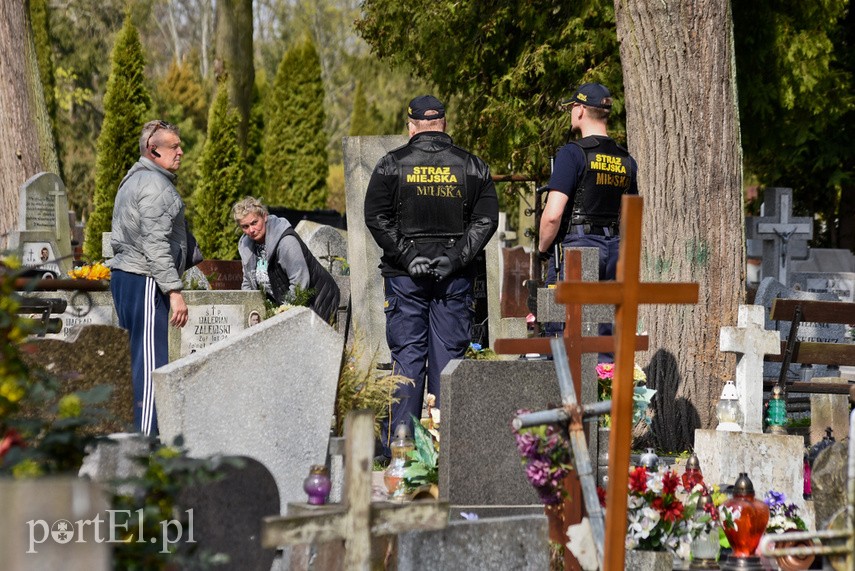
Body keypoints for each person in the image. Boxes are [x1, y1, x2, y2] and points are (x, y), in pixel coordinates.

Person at [364, 95, 499, 458]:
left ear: (411, 127)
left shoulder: (391, 164)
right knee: (449, 360)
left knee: (407, 358)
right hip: (453, 279)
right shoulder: (472, 166)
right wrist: (455, 258)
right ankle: (448, 449)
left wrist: (408, 256)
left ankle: (402, 449)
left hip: (405, 279)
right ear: (444, 124)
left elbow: (376, 216)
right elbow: (486, 220)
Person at [538, 83, 639, 351]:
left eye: (572, 107)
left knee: (566, 332)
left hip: (579, 249)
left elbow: (553, 215)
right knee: (605, 335)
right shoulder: (627, 160)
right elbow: (629, 216)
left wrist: (543, 248)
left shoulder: (572, 154)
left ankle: (570, 380)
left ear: (581, 110)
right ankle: (604, 377)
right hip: (615, 251)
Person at [109, 119, 190, 436]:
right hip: (145, 279)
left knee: (137, 361)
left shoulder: (134, 179)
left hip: (127, 277)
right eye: (174, 146)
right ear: (153, 150)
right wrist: (174, 291)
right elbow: (155, 243)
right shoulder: (156, 185)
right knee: (150, 366)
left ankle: (137, 438)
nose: (180, 152)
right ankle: (145, 445)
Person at [233, 197, 340, 324]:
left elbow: (300, 282)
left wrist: (282, 312)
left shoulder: (285, 241)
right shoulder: (247, 247)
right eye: (245, 226)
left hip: (318, 303)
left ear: (265, 217)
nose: (251, 230)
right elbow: (248, 283)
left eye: (254, 222)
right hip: (284, 308)